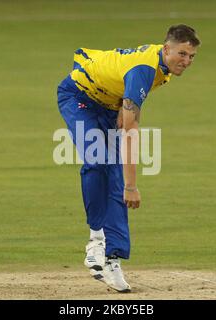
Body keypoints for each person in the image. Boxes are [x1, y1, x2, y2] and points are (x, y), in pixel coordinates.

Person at [56, 24, 201, 292]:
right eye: (182, 54)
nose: (187, 61)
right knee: (97, 160)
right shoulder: (144, 70)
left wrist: (124, 105)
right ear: (166, 48)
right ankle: (96, 241)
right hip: (78, 97)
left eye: (191, 57)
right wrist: (132, 186)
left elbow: (131, 97)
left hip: (108, 104)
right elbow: (132, 132)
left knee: (113, 178)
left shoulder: (161, 65)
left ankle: (112, 258)